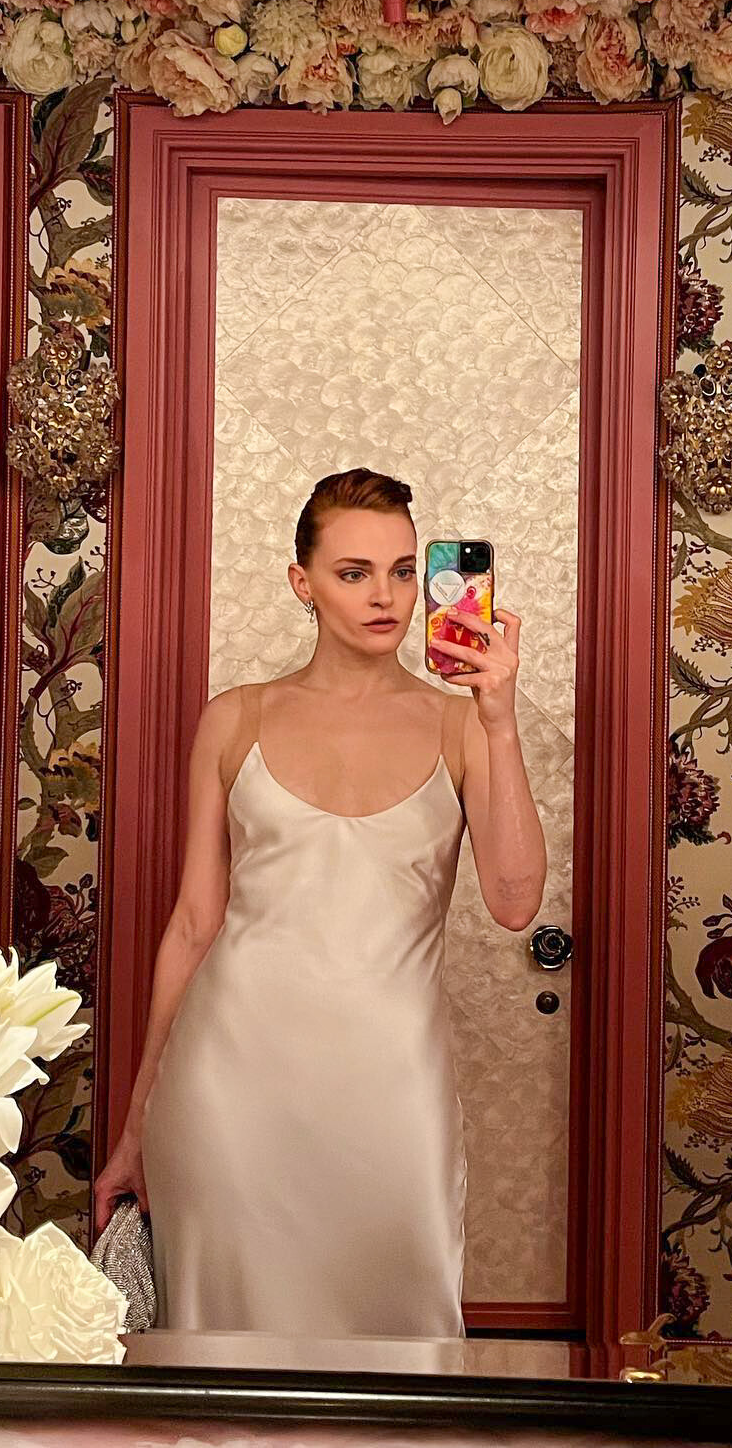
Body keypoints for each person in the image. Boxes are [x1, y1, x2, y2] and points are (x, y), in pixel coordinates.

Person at [92, 467, 548, 1338]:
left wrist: (498, 718)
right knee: (225, 1355)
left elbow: (516, 899)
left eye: (404, 571)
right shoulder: (234, 718)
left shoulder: (460, 724)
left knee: (398, 1347)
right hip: (227, 1088)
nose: (386, 596)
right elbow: (192, 924)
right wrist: (137, 1124)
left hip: (392, 1089)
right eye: (354, 572)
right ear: (302, 582)